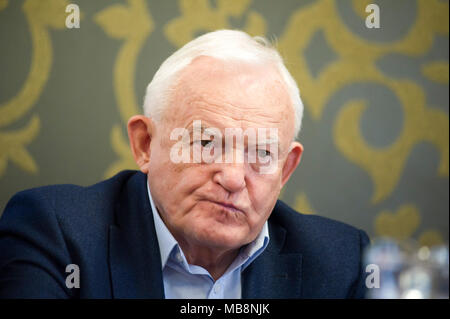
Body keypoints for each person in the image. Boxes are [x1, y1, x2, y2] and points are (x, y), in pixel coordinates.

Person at [0, 30, 369, 299]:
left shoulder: (343, 262)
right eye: (207, 143)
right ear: (145, 144)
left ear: (285, 170)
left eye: (262, 154)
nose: (232, 178)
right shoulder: (55, 233)